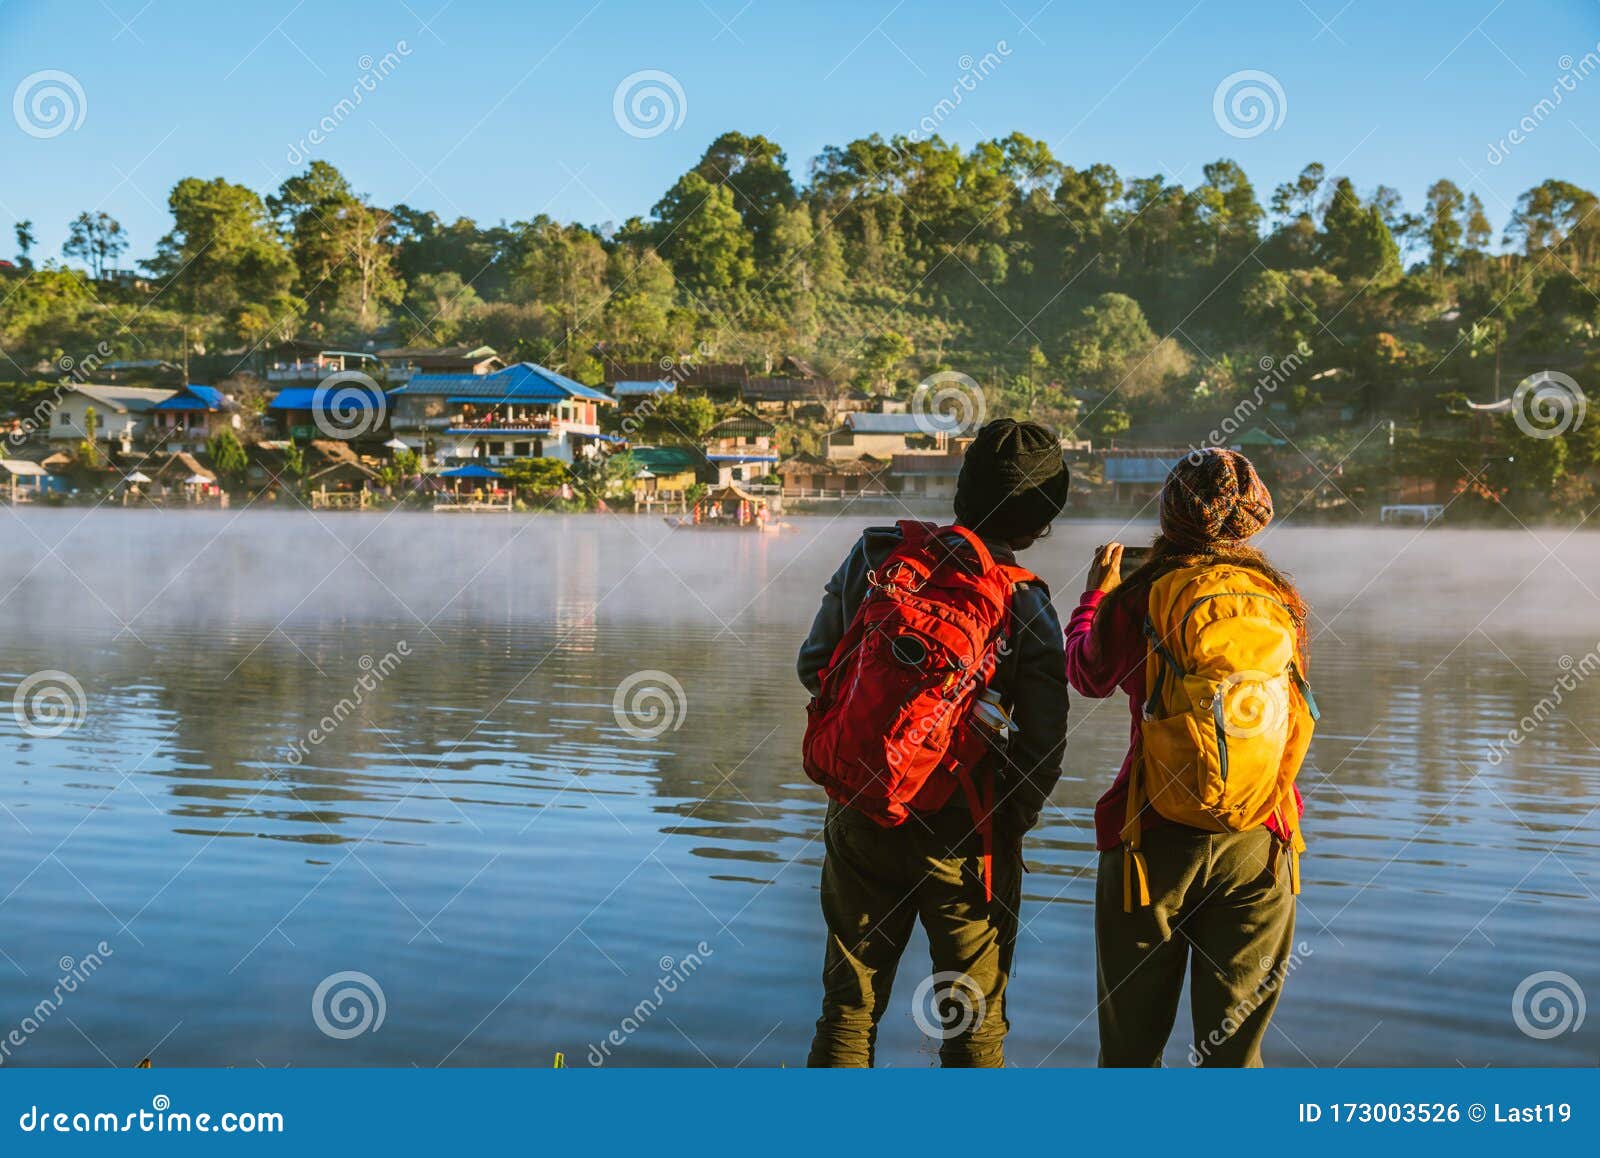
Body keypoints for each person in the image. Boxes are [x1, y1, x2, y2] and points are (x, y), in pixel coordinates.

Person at [797, 418, 1071, 1067]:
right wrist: (1010, 824)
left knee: (848, 1010)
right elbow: (1045, 743)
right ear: (1039, 520)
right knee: (969, 1022)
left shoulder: (877, 555)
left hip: (863, 809)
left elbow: (815, 666)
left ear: (964, 492)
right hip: (968, 836)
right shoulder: (1025, 604)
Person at [1065, 447, 1313, 1067]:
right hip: (1262, 840)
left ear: (1170, 517)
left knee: (1130, 1057)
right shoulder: (1277, 599)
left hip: (1151, 840)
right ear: (1253, 520)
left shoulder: (1144, 596)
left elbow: (1087, 675)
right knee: (1235, 1061)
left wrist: (1095, 599)